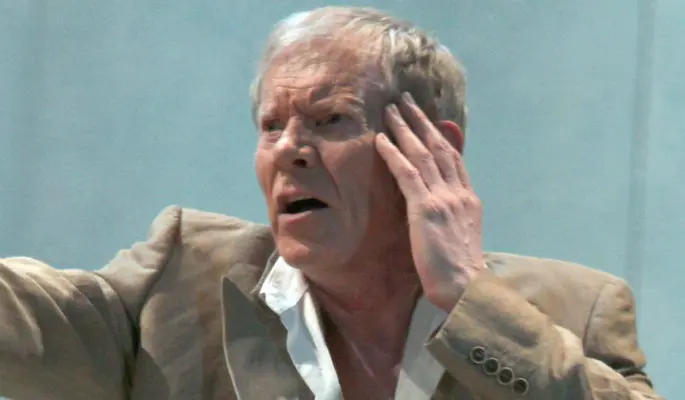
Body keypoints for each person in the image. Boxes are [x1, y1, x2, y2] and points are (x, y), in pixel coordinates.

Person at [0, 6, 662, 400]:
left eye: (330, 119)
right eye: (271, 126)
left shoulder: (575, 310)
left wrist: (469, 299)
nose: (289, 149)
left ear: (434, 148)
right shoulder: (178, 285)